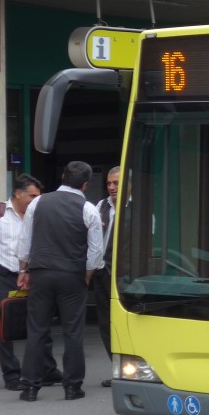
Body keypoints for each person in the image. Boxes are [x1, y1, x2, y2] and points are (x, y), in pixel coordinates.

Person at [15, 161, 104, 402]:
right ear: (85, 184)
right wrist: (86, 275)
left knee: (37, 330)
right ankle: (73, 387)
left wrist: (24, 268)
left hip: (41, 271)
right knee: (73, 331)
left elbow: (25, 240)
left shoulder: (38, 203)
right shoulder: (88, 209)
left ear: (63, 176)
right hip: (72, 275)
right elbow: (96, 251)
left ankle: (30, 387)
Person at [0, 174, 59, 391]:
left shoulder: (36, 214)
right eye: (32, 195)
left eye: (38, 196)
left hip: (27, 275)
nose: (36, 200)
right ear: (18, 193)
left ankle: (47, 369)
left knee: (39, 320)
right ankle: (11, 375)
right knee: (3, 326)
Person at [90, 165, 120, 388]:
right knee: (105, 324)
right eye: (109, 183)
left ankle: (128, 371)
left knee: (121, 325)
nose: (111, 187)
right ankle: (116, 369)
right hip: (100, 273)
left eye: (116, 183)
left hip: (121, 276)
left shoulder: (138, 207)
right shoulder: (99, 206)